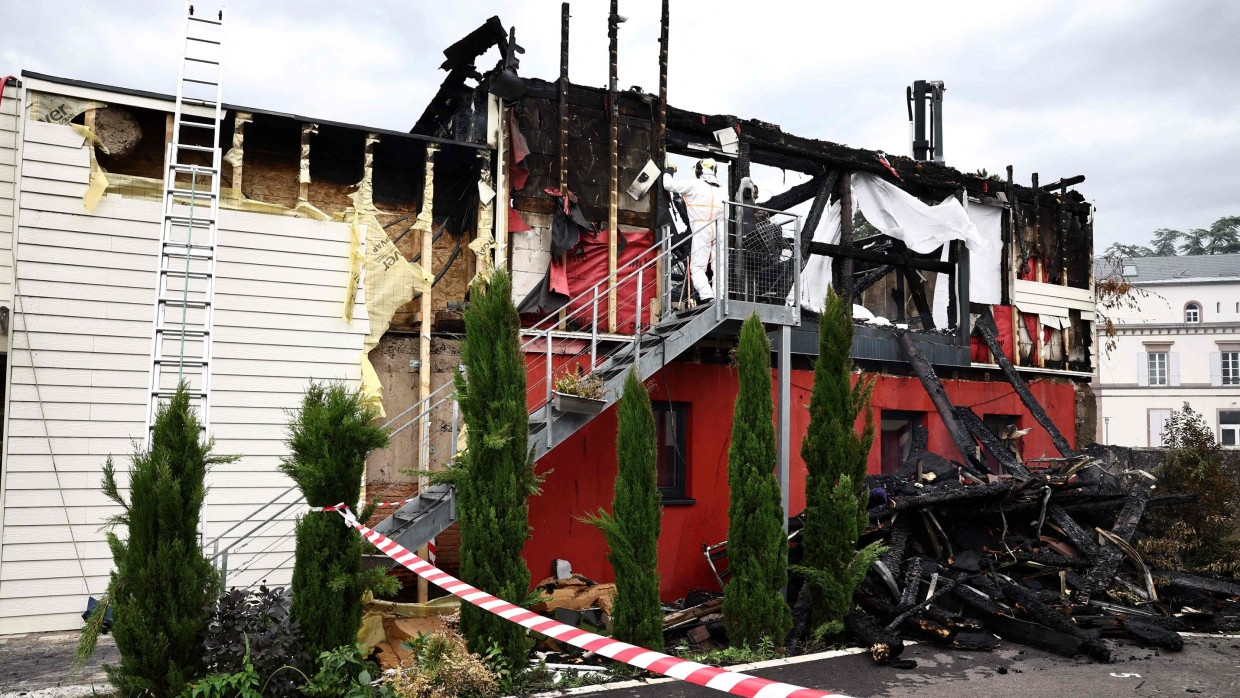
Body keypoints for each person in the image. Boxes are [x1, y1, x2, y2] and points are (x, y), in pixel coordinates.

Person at [662, 158, 724, 305]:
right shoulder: (722, 191)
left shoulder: (695, 185)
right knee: (719, 266)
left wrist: (669, 170)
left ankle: (707, 295)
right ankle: (719, 297)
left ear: (699, 170)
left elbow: (668, 185)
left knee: (697, 267)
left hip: (702, 228)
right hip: (720, 228)